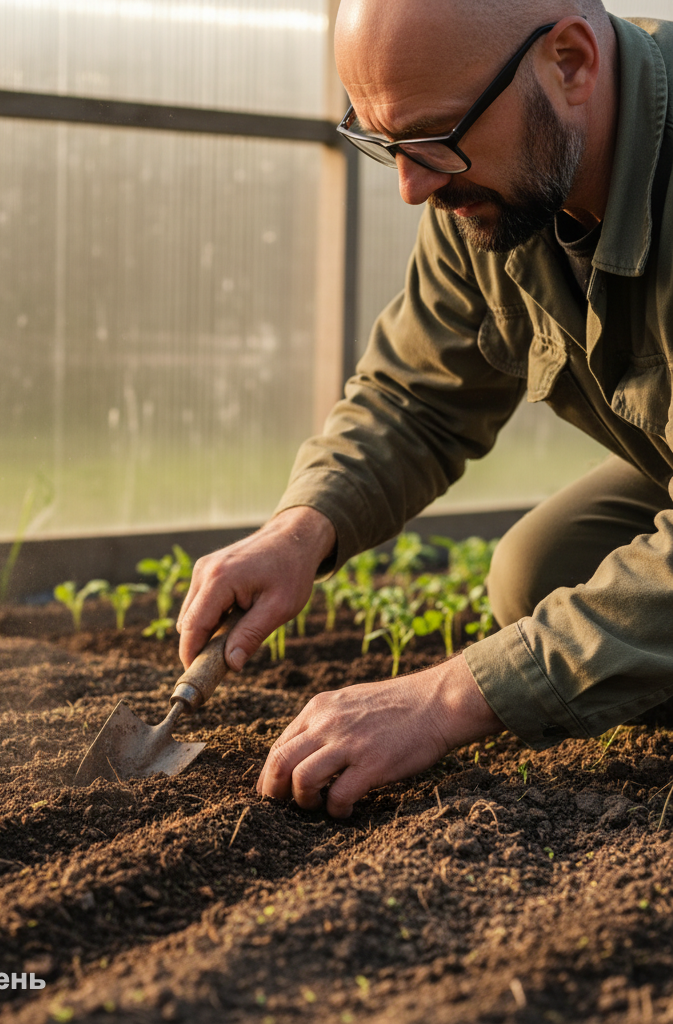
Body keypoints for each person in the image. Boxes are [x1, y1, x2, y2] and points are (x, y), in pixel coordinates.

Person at [175, 0, 673, 818]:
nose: (412, 188)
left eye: (434, 137)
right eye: (384, 144)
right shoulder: (494, 184)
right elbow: (416, 395)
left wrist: (449, 698)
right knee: (542, 573)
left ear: (572, 63)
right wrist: (302, 529)